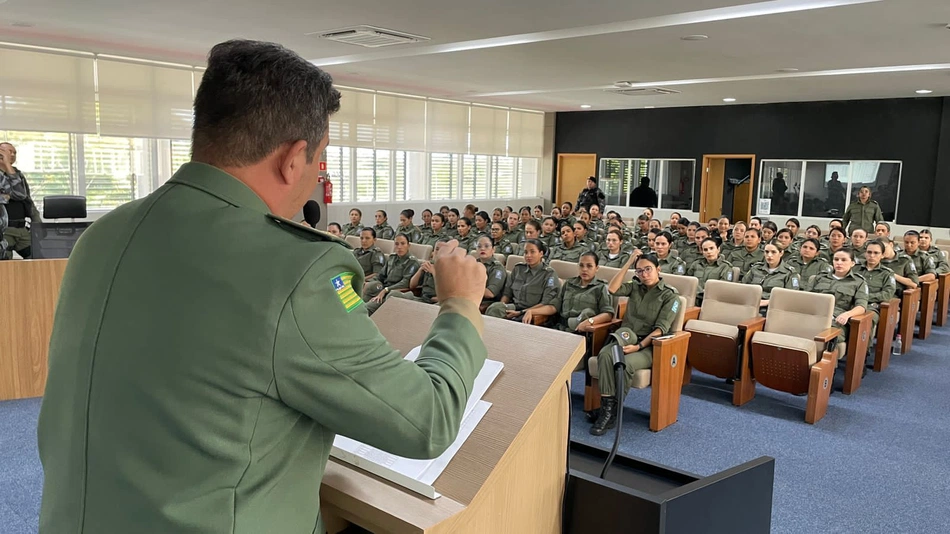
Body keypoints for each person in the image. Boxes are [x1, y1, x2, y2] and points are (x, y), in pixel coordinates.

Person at [37, 39, 489, 534]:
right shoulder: (296, 269)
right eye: (320, 160)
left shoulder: (104, 235)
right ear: (294, 159)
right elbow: (426, 420)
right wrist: (459, 304)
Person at [590, 253, 679, 436]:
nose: (644, 274)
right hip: (626, 336)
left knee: (626, 364)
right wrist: (629, 262)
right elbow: (612, 289)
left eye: (648, 269)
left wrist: (638, 347)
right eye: (639, 271)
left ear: (658, 269)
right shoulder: (635, 287)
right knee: (606, 354)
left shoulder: (670, 296)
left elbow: (661, 329)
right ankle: (608, 409)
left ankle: (610, 412)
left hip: (649, 346)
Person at [805, 249, 869, 358]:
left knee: (829, 336)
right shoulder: (820, 277)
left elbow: (861, 306)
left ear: (852, 263)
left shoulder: (859, 282)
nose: (839, 263)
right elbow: (806, 298)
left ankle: (827, 369)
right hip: (815, 315)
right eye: (836, 259)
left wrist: (847, 314)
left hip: (837, 319)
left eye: (844, 260)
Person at [485, 239, 560, 323]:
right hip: (515, 306)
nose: (528, 255)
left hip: (533, 310)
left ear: (541, 254)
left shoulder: (548, 274)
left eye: (532, 252)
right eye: (525, 252)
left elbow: (546, 302)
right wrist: (502, 305)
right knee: (495, 308)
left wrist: (521, 312)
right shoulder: (518, 269)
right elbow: (507, 293)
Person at [551, 252, 615, 332]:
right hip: (558, 327)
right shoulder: (569, 283)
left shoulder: (601, 287)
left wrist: (590, 321)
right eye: (581, 265)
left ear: (597, 268)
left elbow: (608, 314)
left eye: (589, 266)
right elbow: (555, 306)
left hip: (581, 329)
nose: (584, 269)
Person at [0, 142, 42, 258]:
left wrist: (37, 223)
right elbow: (18, 194)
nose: (12, 155)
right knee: (5, 267)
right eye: (9, 152)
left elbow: (24, 197)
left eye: (14, 152)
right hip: (4, 231)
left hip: (22, 229)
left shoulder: (17, 174)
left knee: (38, 259)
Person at [363, 234, 420, 314]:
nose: (399, 247)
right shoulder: (392, 258)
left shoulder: (412, 262)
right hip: (381, 289)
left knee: (366, 309)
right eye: (397, 244)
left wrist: (386, 290)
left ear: (408, 245)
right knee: (358, 304)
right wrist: (368, 282)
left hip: (394, 293)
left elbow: (405, 283)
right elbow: (381, 275)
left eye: (403, 244)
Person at [854, 240, 897, 335]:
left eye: (876, 253)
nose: (872, 256)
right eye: (869, 252)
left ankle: (864, 348)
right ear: (865, 253)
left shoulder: (887, 273)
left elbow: (887, 294)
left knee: (868, 319)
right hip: (850, 302)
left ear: (882, 255)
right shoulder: (854, 268)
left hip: (871, 305)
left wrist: (864, 298)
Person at [742, 242, 800, 313]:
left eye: (773, 252)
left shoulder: (789, 273)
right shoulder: (756, 268)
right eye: (766, 252)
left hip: (772, 308)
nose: (769, 255)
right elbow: (743, 286)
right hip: (750, 304)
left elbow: (791, 297)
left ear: (781, 253)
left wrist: (768, 302)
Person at [686, 237, 735, 303]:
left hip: (713, 300)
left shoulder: (726, 267)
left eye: (711, 248)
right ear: (702, 252)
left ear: (718, 249)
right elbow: (688, 280)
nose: (709, 252)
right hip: (693, 298)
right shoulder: (696, 264)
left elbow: (723, 287)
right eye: (705, 250)